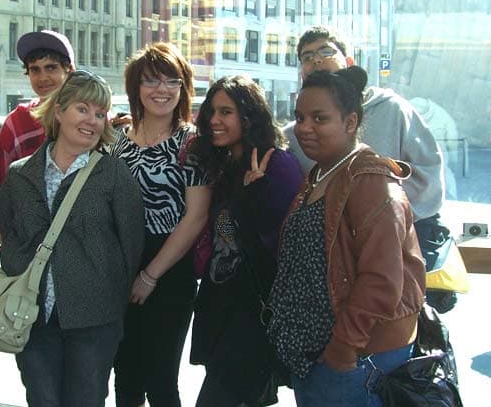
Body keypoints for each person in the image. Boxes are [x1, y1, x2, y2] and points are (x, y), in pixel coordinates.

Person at [267, 66, 426, 407]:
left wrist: (344, 348)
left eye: (319, 118)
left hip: (350, 360)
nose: (304, 128)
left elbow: (381, 280)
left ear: (351, 122)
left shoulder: (370, 182)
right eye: (299, 117)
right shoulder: (322, 173)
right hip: (317, 356)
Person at [0, 69, 145, 406]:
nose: (93, 121)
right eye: (83, 109)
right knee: (42, 399)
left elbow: (131, 244)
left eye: (100, 113)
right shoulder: (21, 174)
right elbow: (10, 233)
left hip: (94, 320)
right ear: (59, 111)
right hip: (32, 316)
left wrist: (109, 298)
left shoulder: (113, 174)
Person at [283, 25, 454, 312]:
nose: (315, 60)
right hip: (328, 261)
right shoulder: (294, 135)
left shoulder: (393, 110)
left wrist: (380, 210)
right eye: (306, 56)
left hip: (393, 249)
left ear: (349, 61)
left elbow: (427, 174)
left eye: (326, 51)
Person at [105, 42, 211, 407]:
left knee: (162, 380)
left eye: (172, 81)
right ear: (136, 87)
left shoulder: (193, 142)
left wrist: (150, 275)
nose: (161, 90)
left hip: (170, 268)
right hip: (120, 267)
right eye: (151, 81)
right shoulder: (117, 141)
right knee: (126, 376)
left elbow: (195, 217)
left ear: (183, 88)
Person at [187, 76, 303, 406]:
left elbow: (286, 248)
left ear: (249, 116)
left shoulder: (276, 164)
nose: (214, 120)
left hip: (253, 317)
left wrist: (254, 197)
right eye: (211, 111)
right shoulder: (227, 165)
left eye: (226, 112)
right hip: (221, 308)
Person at [0, 30, 75, 183]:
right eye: (35, 70)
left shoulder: (93, 118)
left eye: (51, 68)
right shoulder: (16, 122)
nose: (43, 78)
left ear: (69, 71)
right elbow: (3, 186)